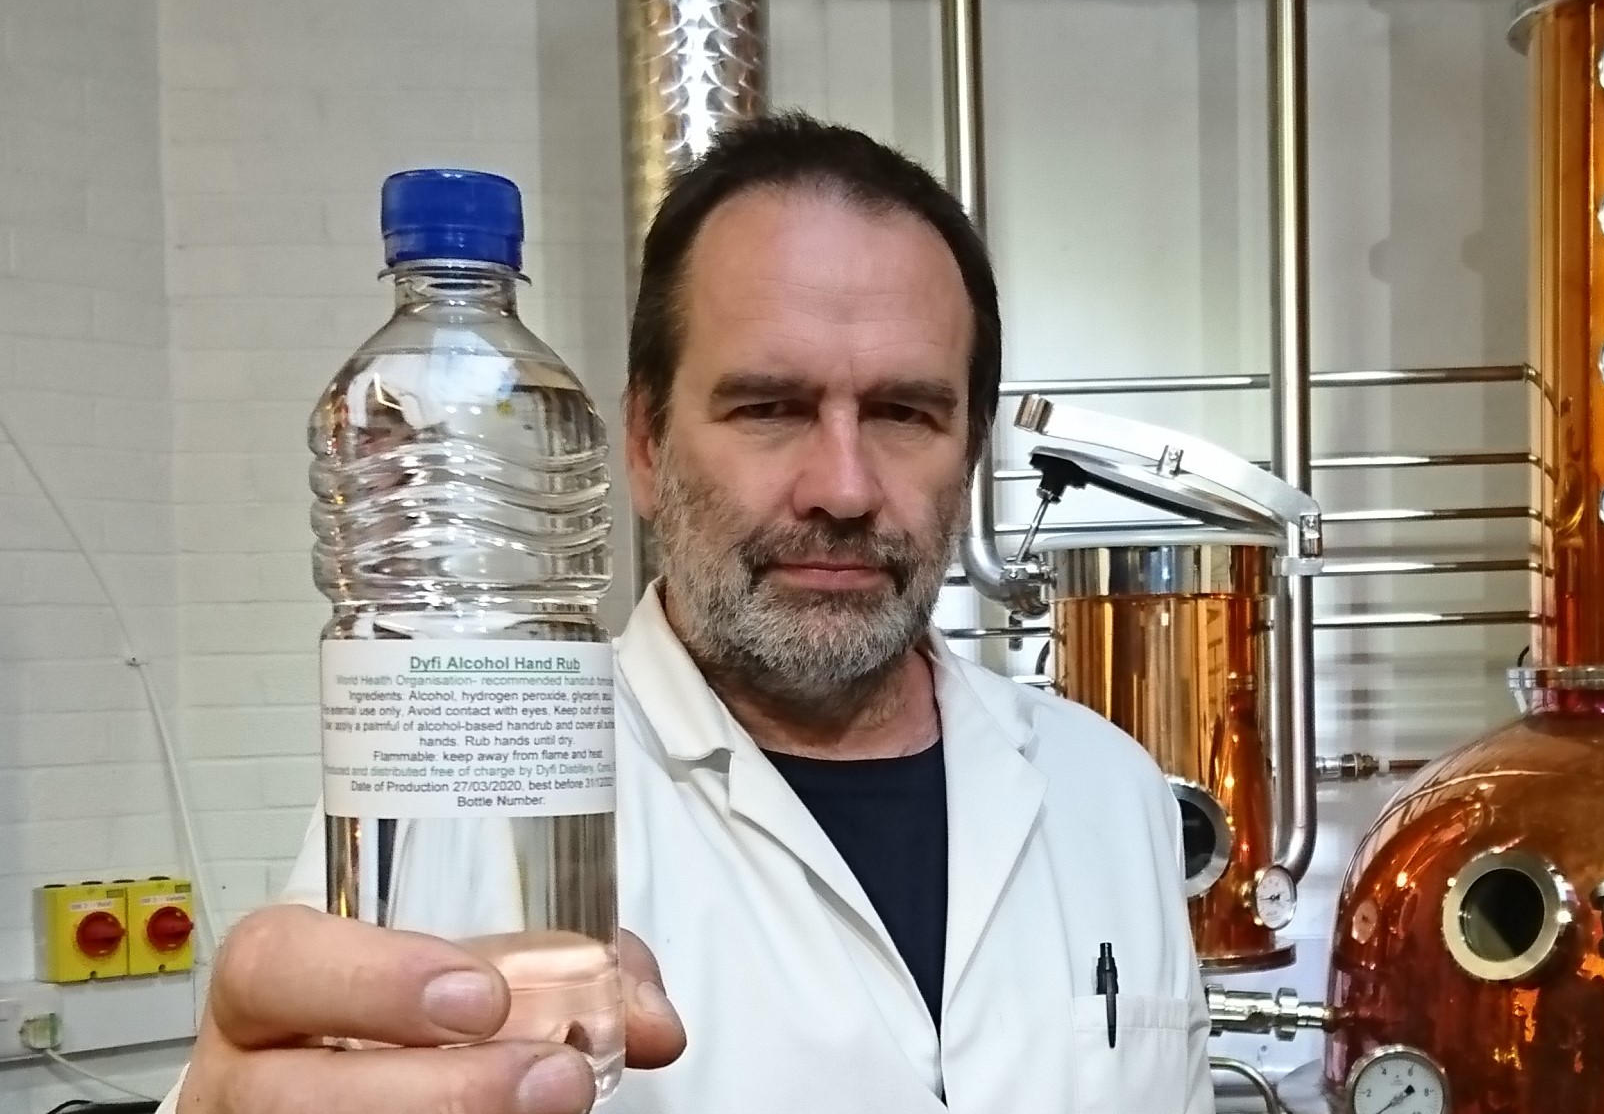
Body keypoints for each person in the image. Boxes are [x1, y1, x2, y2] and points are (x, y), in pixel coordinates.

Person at [166, 113, 1214, 1114]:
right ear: (643, 444)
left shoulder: (1107, 792)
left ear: (969, 450)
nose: (843, 488)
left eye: (904, 412)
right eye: (768, 407)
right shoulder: (478, 806)